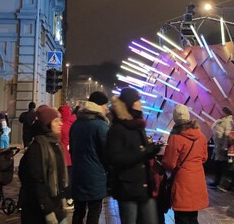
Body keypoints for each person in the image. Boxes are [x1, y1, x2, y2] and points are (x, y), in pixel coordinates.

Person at [106, 88, 161, 224]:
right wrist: (144, 152)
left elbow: (142, 152)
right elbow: (114, 158)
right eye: (138, 101)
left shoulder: (138, 126)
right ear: (130, 103)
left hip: (145, 186)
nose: (141, 104)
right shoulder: (117, 129)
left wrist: (152, 150)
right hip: (127, 188)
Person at [18, 105, 68, 224]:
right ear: (47, 124)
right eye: (56, 121)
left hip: (56, 206)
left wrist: (62, 200)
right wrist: (48, 211)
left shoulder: (56, 144)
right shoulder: (37, 147)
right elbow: (36, 182)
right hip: (39, 211)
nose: (61, 124)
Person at [161, 104, 208, 224]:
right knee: (193, 216)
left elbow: (169, 163)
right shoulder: (201, 136)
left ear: (175, 119)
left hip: (182, 181)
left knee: (182, 217)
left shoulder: (175, 137)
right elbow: (204, 157)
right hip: (198, 180)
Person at [70, 91, 110, 224]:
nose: (107, 109)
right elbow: (107, 154)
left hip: (77, 175)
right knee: (93, 213)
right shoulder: (101, 126)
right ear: (98, 106)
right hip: (95, 178)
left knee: (78, 211)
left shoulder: (76, 124)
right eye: (105, 105)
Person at [209, 106, 234, 188]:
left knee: (222, 164)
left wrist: (224, 146)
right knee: (218, 164)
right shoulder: (221, 121)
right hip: (218, 145)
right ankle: (218, 181)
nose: (221, 113)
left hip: (222, 146)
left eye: (223, 111)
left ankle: (221, 181)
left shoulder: (228, 122)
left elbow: (227, 135)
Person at [58, 104, 77, 210]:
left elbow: (59, 139)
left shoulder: (63, 125)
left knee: (64, 178)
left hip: (63, 154)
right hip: (72, 154)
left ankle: (67, 198)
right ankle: (70, 198)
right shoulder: (73, 123)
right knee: (71, 176)